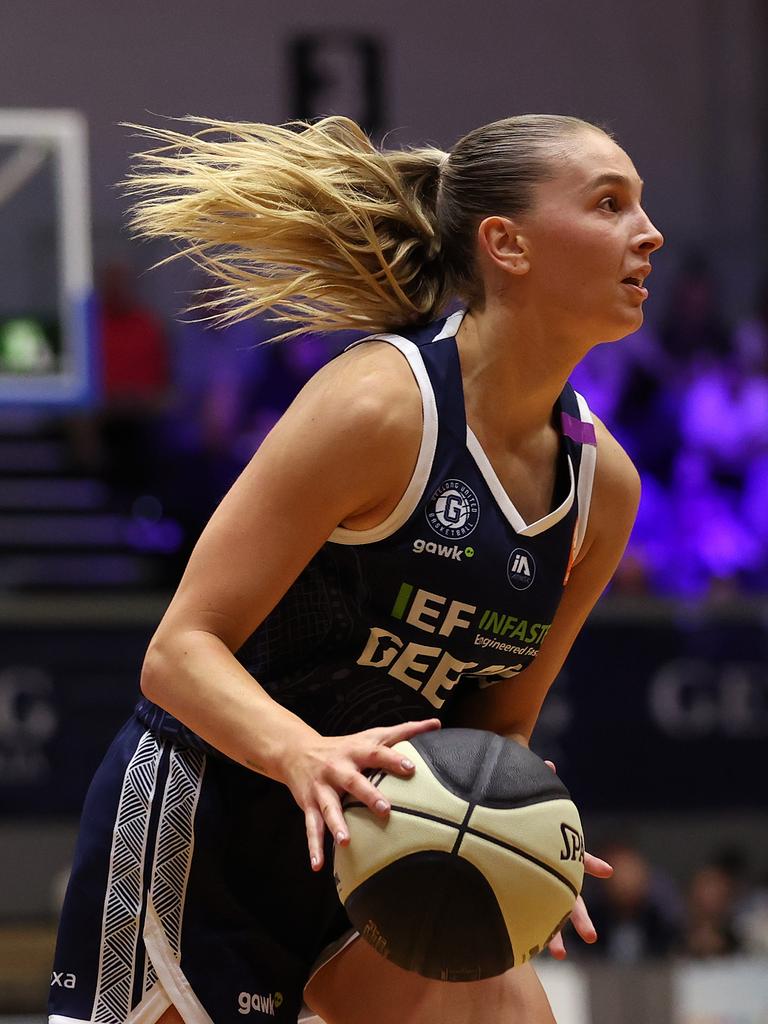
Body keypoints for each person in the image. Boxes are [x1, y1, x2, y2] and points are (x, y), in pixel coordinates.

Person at [48, 112, 663, 1024]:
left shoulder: (600, 486)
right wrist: (302, 753)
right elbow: (179, 653)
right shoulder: (381, 406)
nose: (647, 232)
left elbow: (501, 727)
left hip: (387, 843)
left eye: (641, 206)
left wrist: (527, 841)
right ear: (507, 244)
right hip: (213, 823)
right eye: (610, 204)